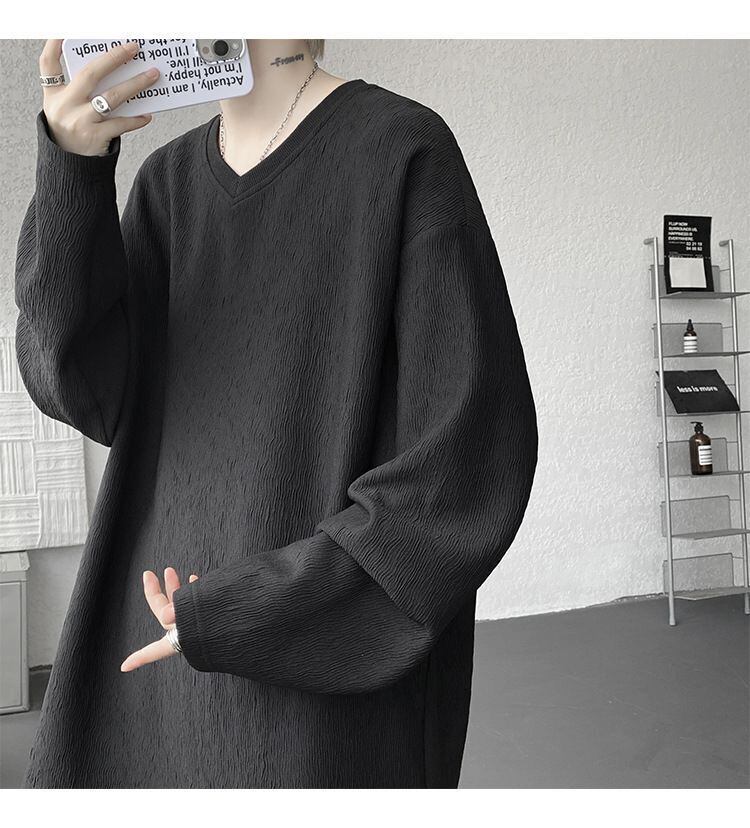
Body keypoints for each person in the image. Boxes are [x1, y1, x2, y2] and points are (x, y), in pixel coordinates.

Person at [15, 37, 538, 788]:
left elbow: (467, 461)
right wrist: (71, 168)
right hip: (152, 650)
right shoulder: (167, 185)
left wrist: (252, 611)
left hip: (319, 673)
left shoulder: (401, 150)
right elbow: (79, 389)